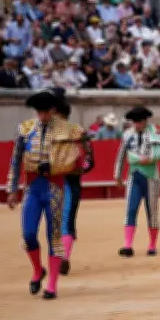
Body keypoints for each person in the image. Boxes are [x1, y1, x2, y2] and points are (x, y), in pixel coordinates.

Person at [6, 90, 86, 300]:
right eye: (38, 112)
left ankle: (52, 284)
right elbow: (15, 160)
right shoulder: (25, 129)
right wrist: (12, 189)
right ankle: (37, 270)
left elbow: (77, 160)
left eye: (45, 111)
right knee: (28, 235)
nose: (41, 116)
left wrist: (55, 165)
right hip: (32, 188)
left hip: (54, 188)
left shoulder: (68, 131)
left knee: (54, 237)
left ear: (53, 111)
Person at [114, 107, 160, 258]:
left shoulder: (156, 133)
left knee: (152, 212)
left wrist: (151, 158)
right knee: (131, 209)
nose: (137, 125)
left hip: (151, 177)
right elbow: (121, 155)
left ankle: (152, 245)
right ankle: (128, 245)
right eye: (135, 122)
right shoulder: (127, 135)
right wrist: (118, 176)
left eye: (139, 122)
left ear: (145, 121)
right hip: (134, 175)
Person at [55, 99, 95, 276]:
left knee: (63, 220)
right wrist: (80, 169)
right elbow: (90, 159)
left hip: (64, 181)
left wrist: (78, 169)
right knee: (64, 220)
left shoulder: (75, 132)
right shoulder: (79, 132)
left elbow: (89, 160)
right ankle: (62, 255)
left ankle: (62, 256)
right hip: (67, 181)